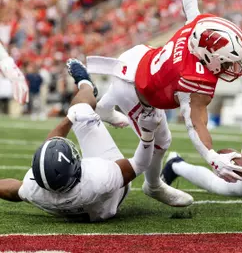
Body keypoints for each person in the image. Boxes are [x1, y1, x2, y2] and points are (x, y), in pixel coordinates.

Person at [86, 0, 242, 207]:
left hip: (137, 57)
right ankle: (153, 186)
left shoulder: (196, 29)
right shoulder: (194, 80)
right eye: (227, 61)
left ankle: (104, 108)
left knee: (144, 80)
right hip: (135, 89)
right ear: (208, 55)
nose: (232, 67)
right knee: (162, 141)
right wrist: (212, 158)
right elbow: (195, 125)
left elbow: (189, 3)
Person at [0, 59, 163, 222]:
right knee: (80, 108)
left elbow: (13, 191)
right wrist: (148, 133)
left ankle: (86, 94)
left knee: (72, 118)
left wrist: (69, 119)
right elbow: (140, 164)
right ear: (76, 170)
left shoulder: (34, 189)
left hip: (82, 198)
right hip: (114, 194)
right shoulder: (100, 177)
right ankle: (85, 83)